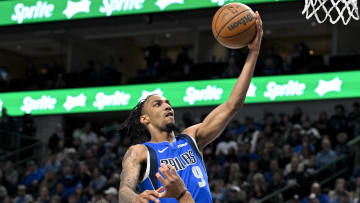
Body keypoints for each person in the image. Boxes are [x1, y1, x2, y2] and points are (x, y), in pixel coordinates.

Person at [118, 12, 263, 203]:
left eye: (168, 102)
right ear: (145, 119)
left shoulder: (191, 138)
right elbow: (124, 191)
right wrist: (135, 199)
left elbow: (232, 105)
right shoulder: (139, 152)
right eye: (158, 104)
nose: (167, 106)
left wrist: (253, 53)